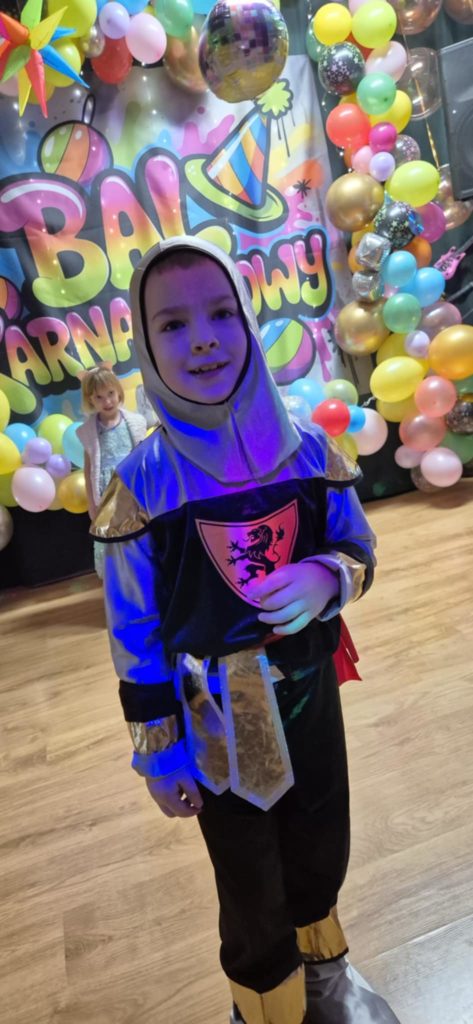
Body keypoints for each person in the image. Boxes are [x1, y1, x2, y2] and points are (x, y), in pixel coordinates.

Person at [92, 236, 401, 1024]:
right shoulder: (142, 486)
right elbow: (134, 631)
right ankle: (265, 1005)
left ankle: (325, 974)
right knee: (247, 874)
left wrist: (326, 576)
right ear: (144, 341)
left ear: (247, 320)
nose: (202, 339)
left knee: (322, 835)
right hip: (215, 720)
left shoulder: (308, 449)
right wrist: (158, 751)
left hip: (309, 692)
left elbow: (358, 550)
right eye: (172, 324)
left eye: (221, 313)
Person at [77, 364, 146, 578]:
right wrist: (92, 503)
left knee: (138, 531)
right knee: (112, 535)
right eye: (99, 397)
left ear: (118, 392)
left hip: (131, 488)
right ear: (90, 399)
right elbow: (89, 469)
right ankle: (119, 577)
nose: (107, 401)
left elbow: (142, 458)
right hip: (107, 492)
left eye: (110, 394)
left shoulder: (134, 423)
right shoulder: (89, 432)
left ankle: (142, 572)